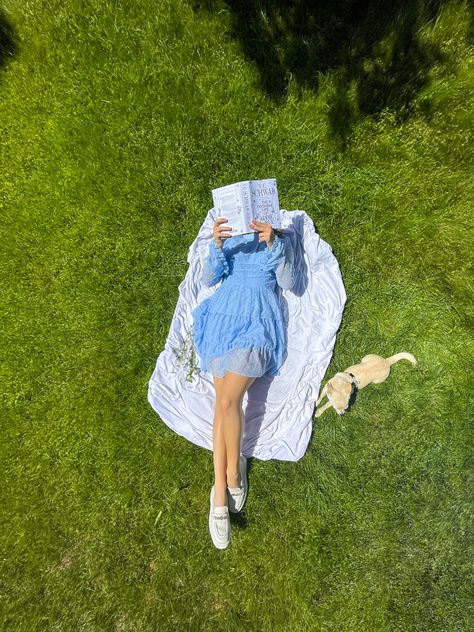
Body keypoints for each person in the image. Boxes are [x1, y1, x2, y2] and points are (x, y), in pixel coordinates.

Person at [191, 216, 297, 549]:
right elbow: (208, 279)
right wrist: (218, 246)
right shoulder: (232, 239)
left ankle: (225, 485)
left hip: (257, 324)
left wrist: (272, 244)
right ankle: (226, 481)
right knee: (223, 405)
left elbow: (292, 283)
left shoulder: (273, 241)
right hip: (222, 319)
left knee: (225, 403)